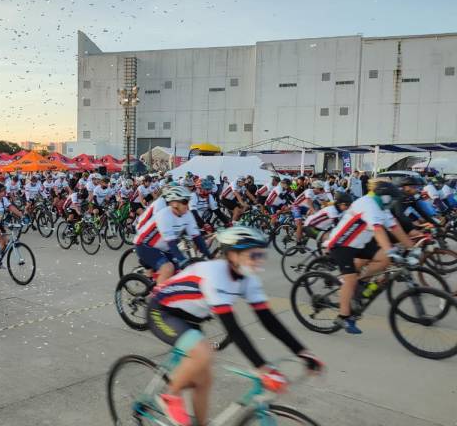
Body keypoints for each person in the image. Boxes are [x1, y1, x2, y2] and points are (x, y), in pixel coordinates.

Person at [149, 227, 323, 426]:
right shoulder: (215, 275)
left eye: (261, 254)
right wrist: (263, 369)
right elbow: (233, 329)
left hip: (192, 319)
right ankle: (170, 396)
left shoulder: (248, 278)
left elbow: (268, 320)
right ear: (233, 255)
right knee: (203, 353)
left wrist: (303, 352)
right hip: (162, 312)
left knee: (204, 380)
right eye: (253, 255)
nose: (259, 260)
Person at [325, 181, 413, 334]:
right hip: (341, 244)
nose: (393, 202)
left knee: (385, 259)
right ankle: (343, 316)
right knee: (350, 279)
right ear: (385, 197)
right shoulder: (368, 204)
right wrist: (391, 250)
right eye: (392, 199)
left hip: (359, 243)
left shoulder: (381, 207)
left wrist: (412, 248)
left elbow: (395, 227)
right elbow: (378, 230)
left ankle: (360, 285)